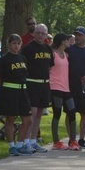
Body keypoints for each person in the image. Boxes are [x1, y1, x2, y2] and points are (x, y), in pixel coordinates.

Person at [0, 34, 34, 156]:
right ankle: (11, 146)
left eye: (18, 43)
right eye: (13, 43)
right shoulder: (4, 59)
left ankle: (20, 145)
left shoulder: (22, 58)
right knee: (10, 119)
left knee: (28, 120)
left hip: (23, 92)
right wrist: (5, 85)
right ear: (9, 44)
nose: (16, 46)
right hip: (10, 92)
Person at [22, 23, 54, 152]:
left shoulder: (47, 48)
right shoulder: (28, 48)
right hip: (32, 83)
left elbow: (50, 66)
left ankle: (34, 140)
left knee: (40, 113)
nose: (40, 35)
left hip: (44, 83)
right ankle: (26, 141)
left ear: (46, 35)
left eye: (43, 33)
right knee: (32, 114)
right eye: (38, 33)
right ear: (34, 34)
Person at [48, 32, 77, 150]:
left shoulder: (66, 55)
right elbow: (48, 69)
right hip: (55, 87)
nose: (69, 41)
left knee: (72, 112)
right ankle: (56, 141)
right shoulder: (52, 54)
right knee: (57, 113)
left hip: (66, 87)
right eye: (67, 40)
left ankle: (73, 140)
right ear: (62, 41)